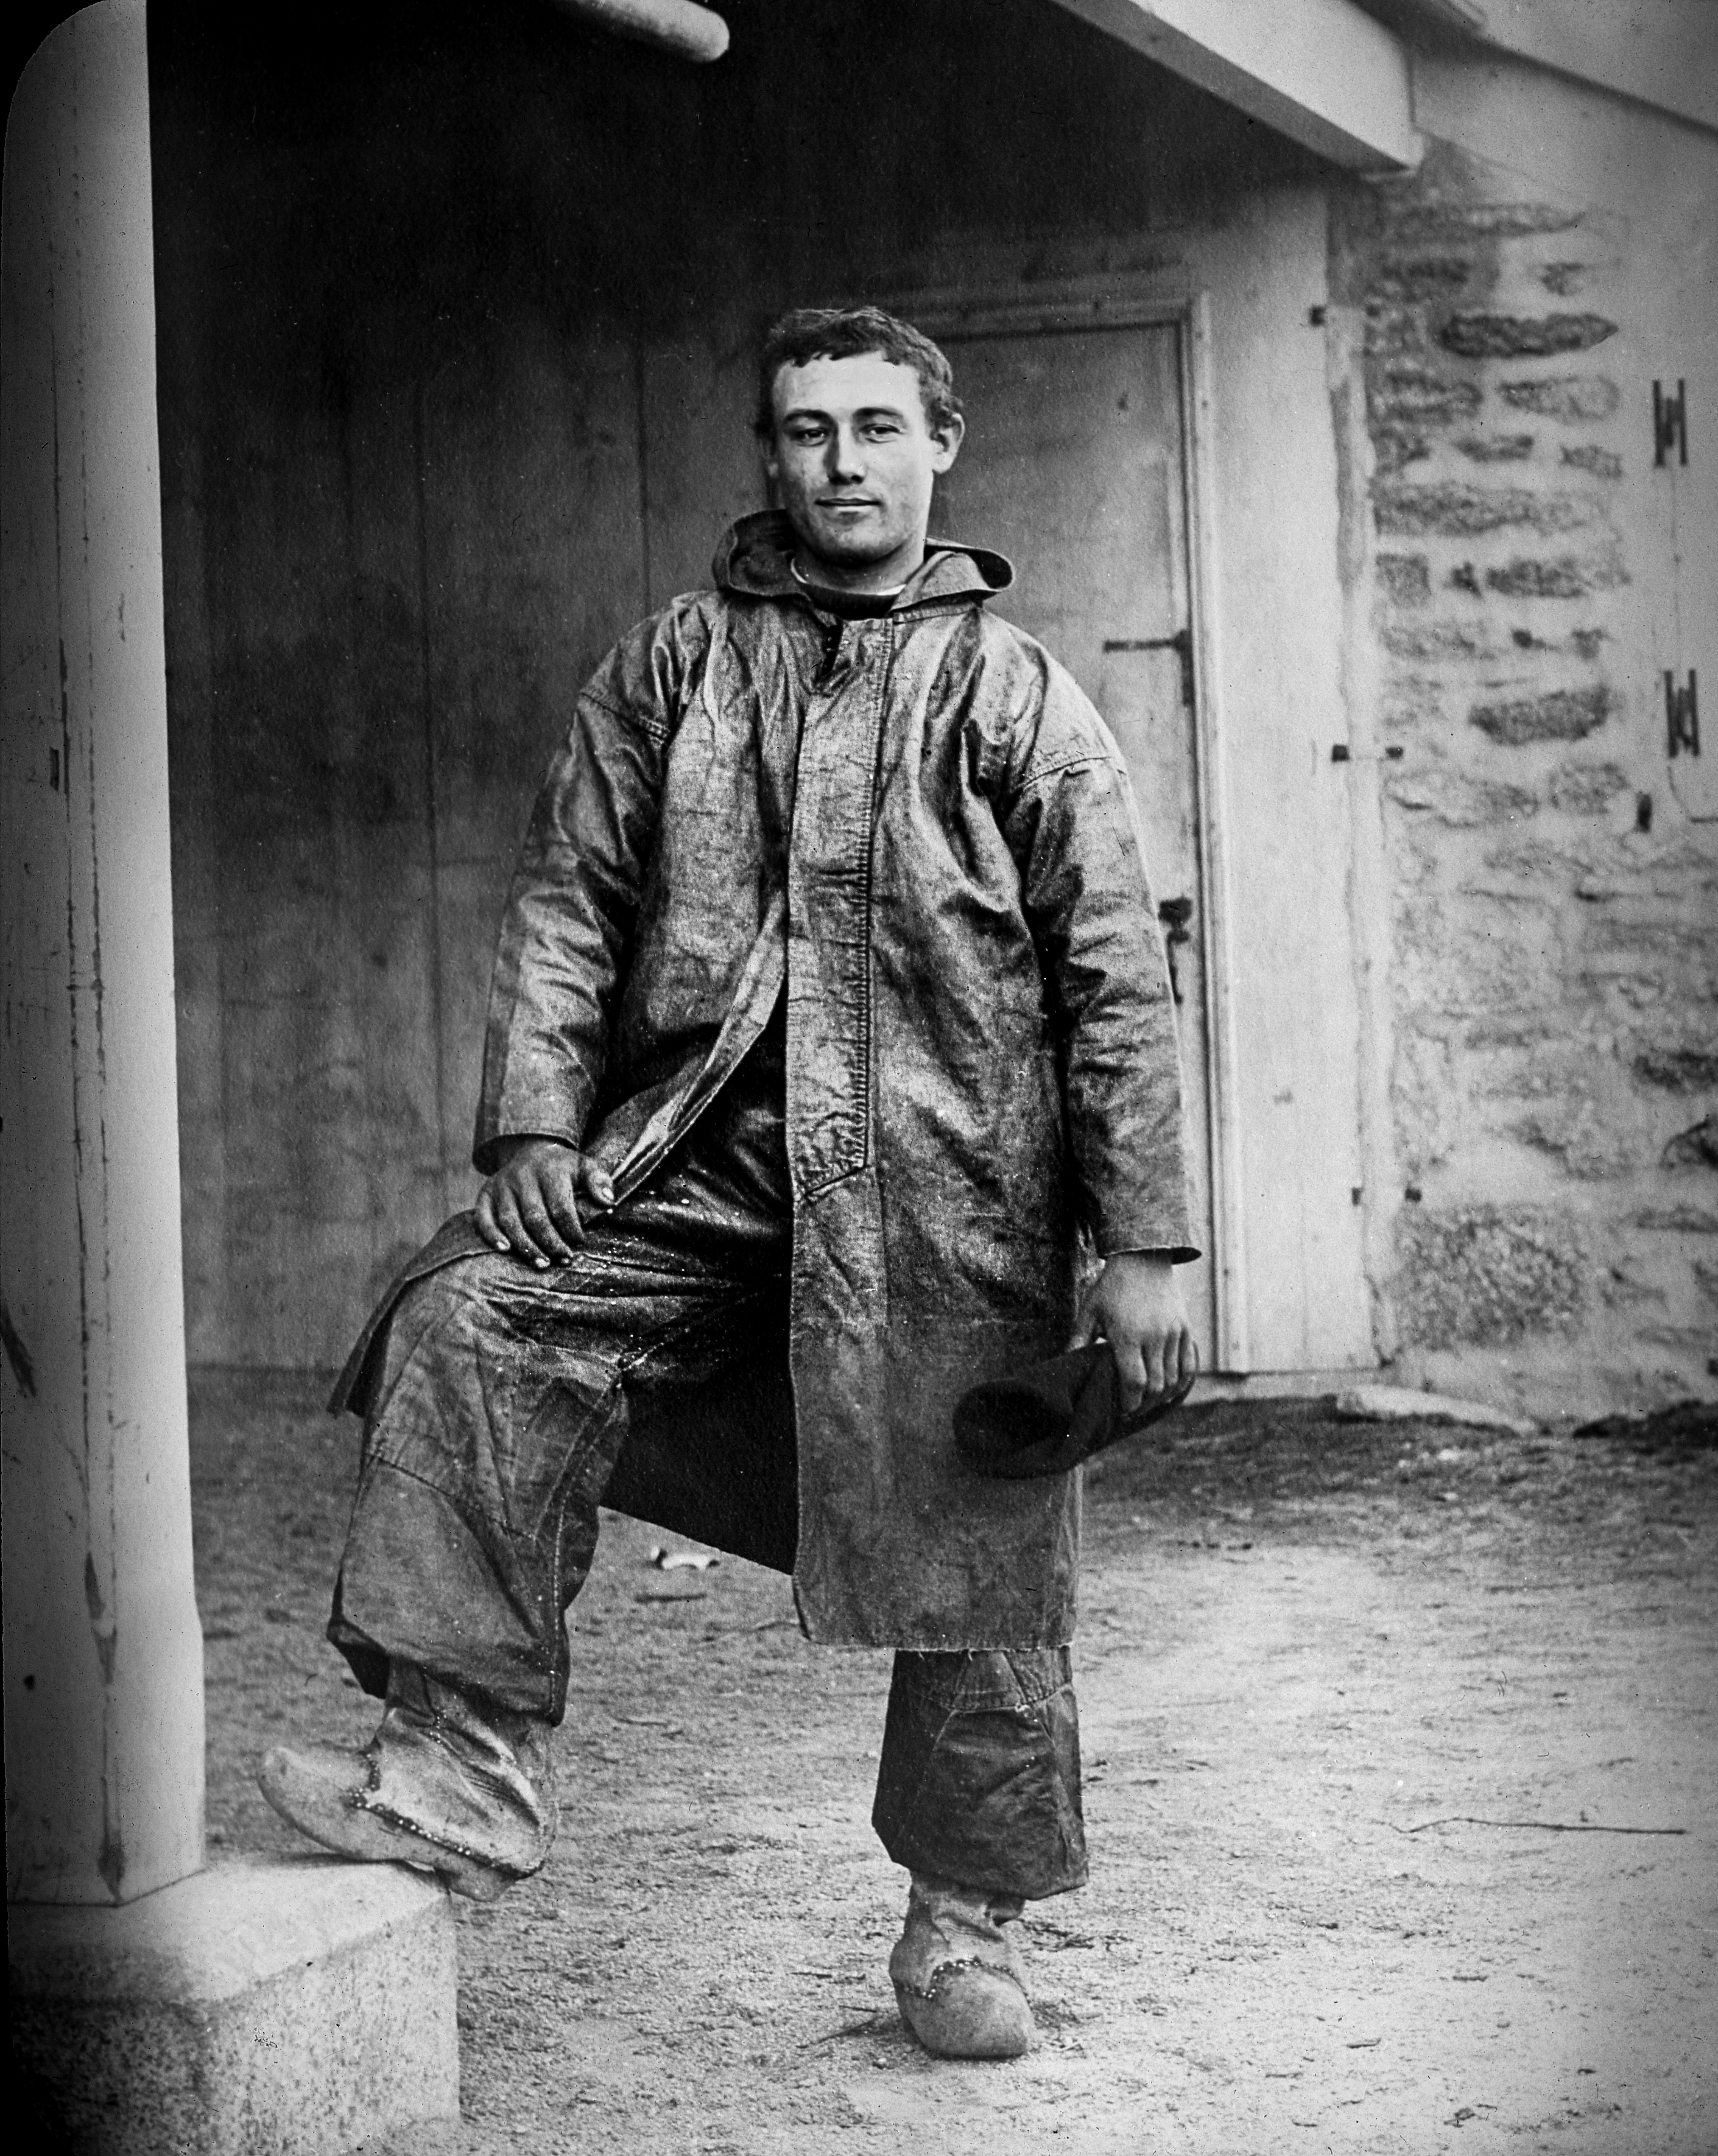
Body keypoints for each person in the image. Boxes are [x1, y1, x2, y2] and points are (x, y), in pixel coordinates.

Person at [261, 305, 1199, 2061]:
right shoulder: (673, 662)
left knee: (983, 1506)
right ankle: (463, 1769)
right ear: (771, 457)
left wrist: (1144, 1243)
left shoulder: (1015, 691)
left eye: (873, 427)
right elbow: (569, 897)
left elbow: (1112, 985)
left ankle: (962, 1930)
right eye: (805, 431)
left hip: (945, 1191)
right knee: (474, 1312)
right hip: (695, 1164)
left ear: (942, 443)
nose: (841, 462)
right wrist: (536, 1126)